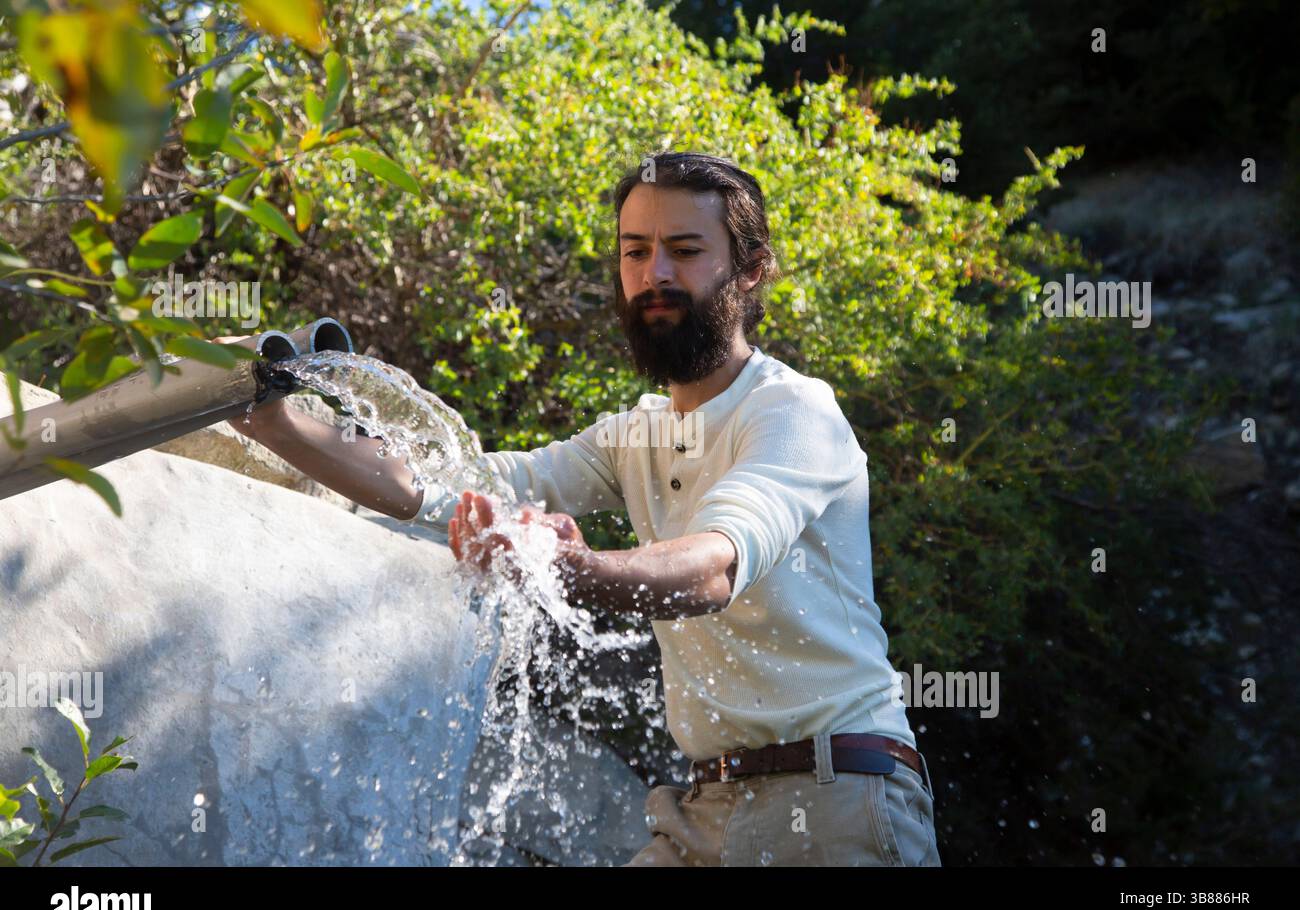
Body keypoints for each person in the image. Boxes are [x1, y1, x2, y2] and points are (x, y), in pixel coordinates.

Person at [223, 151, 940, 867]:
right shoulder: (638, 434)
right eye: (637, 252)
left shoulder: (793, 412)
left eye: (685, 251)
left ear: (750, 270)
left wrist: (570, 569)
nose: (655, 275)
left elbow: (713, 570)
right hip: (705, 809)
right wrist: (278, 426)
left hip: (836, 795)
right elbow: (444, 485)